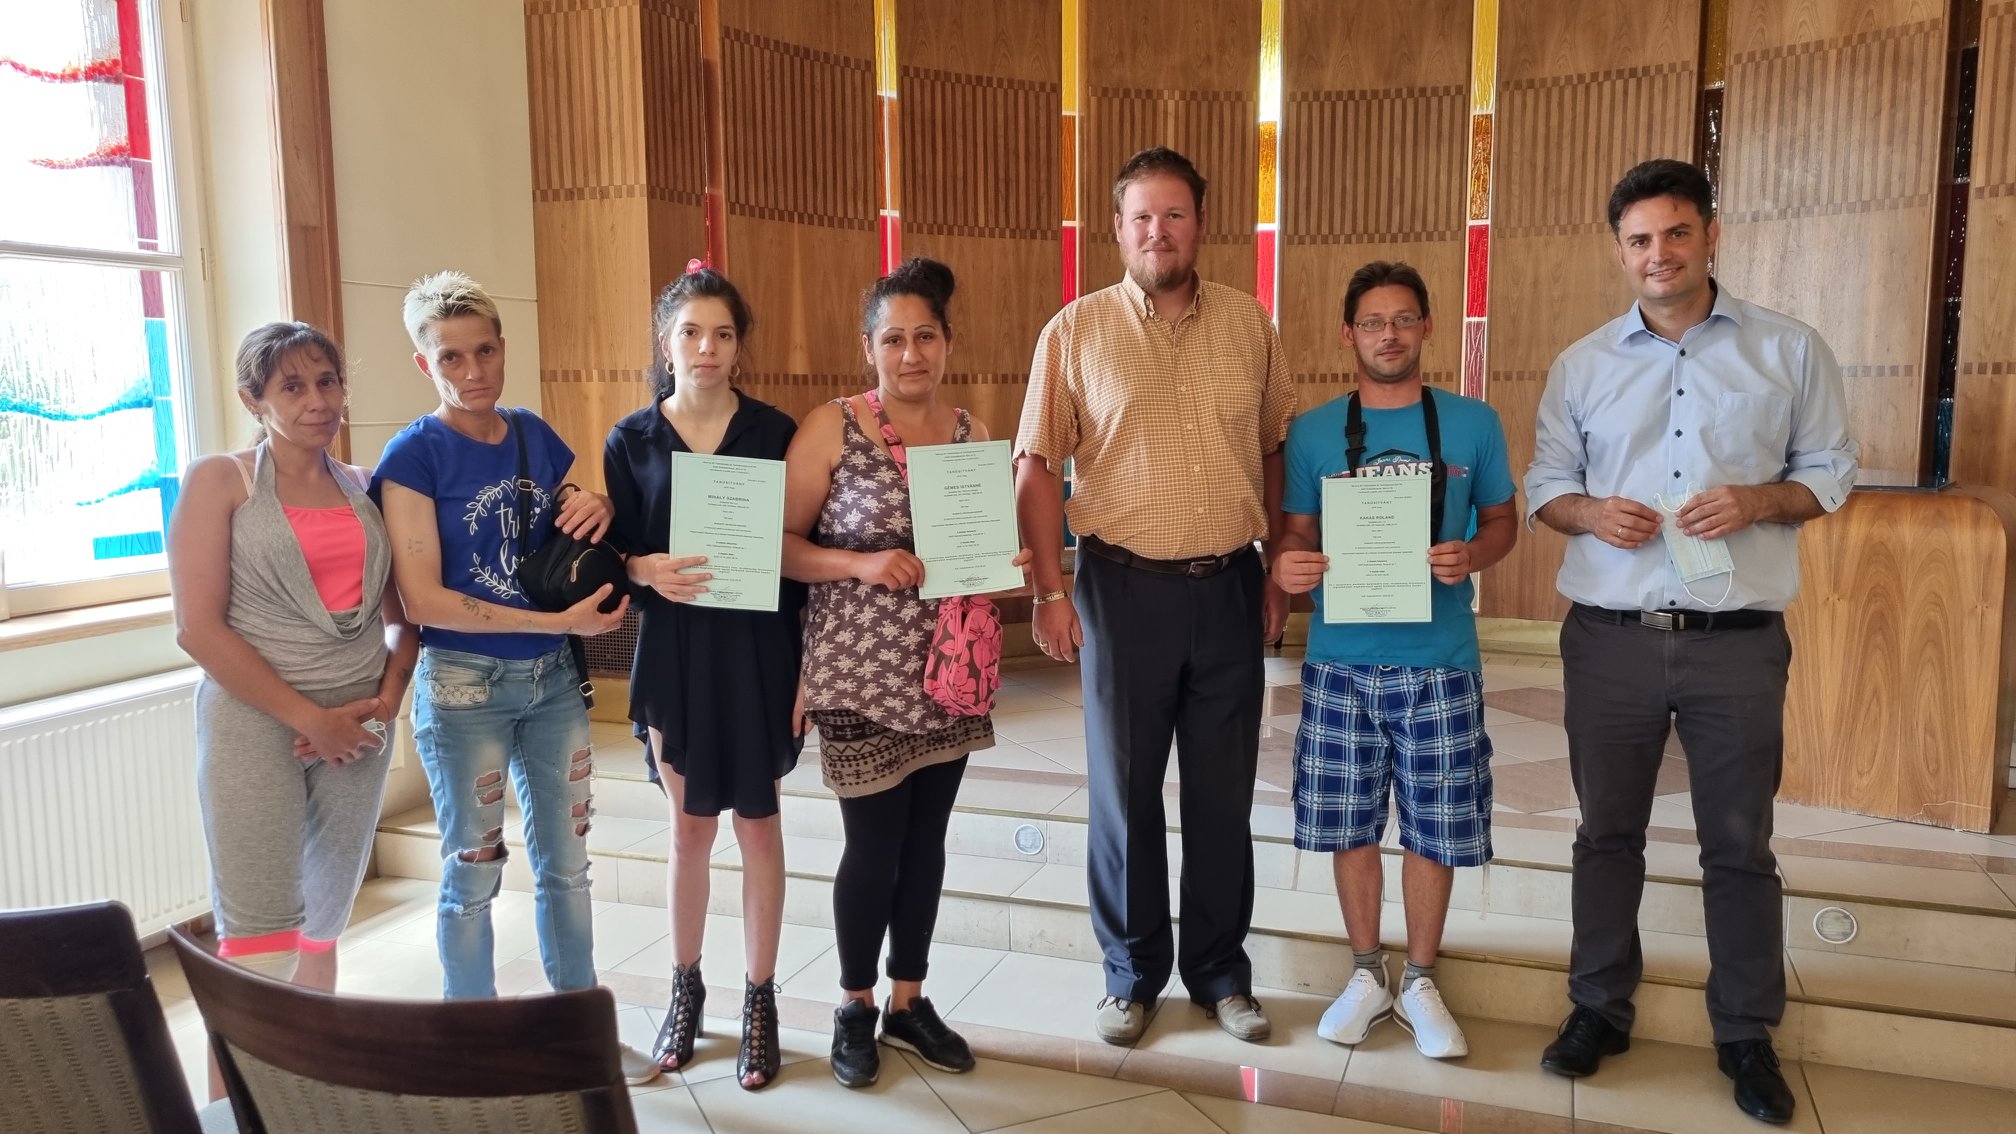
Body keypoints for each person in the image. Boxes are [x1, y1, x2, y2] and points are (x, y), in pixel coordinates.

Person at [1525, 158, 1858, 1125]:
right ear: (1619, 250)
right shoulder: (1583, 365)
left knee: (1740, 843)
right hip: (1611, 638)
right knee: (1605, 834)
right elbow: (1547, 484)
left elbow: (1829, 473)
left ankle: (1746, 1031)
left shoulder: (1789, 350)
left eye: (1676, 232)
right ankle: (1598, 1007)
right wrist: (1591, 512)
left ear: (1711, 234)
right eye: (1638, 240)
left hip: (1736, 642)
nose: (1658, 254)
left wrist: (1758, 500)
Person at [1013, 146, 1298, 1045]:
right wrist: (1048, 588)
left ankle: (1220, 973)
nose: (1158, 231)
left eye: (1174, 214)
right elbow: (1035, 464)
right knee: (1126, 793)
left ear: (1200, 225)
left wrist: (1277, 565)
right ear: (1119, 227)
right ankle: (1130, 975)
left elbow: (1275, 448)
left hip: (1229, 586)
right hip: (1121, 590)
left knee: (1222, 795)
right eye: (1142, 216)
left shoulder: (1250, 325)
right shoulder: (1075, 330)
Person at [374, 270, 657, 1084]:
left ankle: (578, 1036)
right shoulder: (414, 455)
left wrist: (599, 505)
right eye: (451, 358)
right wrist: (557, 627)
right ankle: (474, 1048)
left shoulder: (532, 432)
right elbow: (423, 600)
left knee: (567, 866)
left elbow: (567, 522)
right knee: (473, 869)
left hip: (551, 686)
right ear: (424, 364)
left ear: (504, 347)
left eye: (485, 351)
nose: (473, 372)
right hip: (465, 686)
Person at [783, 257, 1028, 1088]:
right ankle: (854, 1004)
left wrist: (1003, 563)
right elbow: (779, 548)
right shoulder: (832, 427)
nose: (911, 353)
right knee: (873, 847)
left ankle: (909, 1001)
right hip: (856, 673)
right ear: (869, 347)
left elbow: (983, 555)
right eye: (893, 338)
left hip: (948, 675)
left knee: (926, 846)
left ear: (948, 342)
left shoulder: (970, 433)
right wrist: (859, 563)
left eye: (925, 336)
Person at [1271, 262, 1516, 1060]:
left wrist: (1472, 554)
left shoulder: (1474, 423)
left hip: (1441, 659)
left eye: (1404, 319)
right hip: (1340, 659)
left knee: (1436, 825)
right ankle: (1365, 971)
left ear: (1427, 327)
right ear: (1349, 333)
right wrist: (1289, 563)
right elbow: (1297, 532)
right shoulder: (1314, 433)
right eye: (1373, 322)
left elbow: (1503, 521)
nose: (1389, 335)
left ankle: (1420, 980)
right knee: (1349, 822)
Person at [170, 321, 418, 1097]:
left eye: (328, 381)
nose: (318, 401)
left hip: (360, 730)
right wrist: (311, 719)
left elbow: (404, 619)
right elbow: (197, 627)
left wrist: (384, 703)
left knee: (323, 921)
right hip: (256, 725)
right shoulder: (221, 481)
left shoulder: (366, 485)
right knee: (259, 933)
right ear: (255, 399)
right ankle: (232, 1112)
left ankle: (307, 1099)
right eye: (293, 387)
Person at [603, 266, 804, 1090]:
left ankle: (761, 999)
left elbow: (799, 557)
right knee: (689, 831)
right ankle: (685, 990)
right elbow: (614, 555)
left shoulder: (777, 431)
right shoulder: (630, 439)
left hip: (759, 652)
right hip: (675, 653)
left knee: (758, 826)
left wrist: (808, 672)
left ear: (739, 345)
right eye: (691, 332)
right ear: (667, 343)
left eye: (722, 333)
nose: (707, 347)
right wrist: (643, 567)